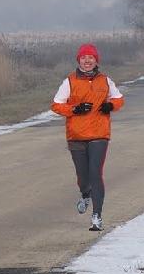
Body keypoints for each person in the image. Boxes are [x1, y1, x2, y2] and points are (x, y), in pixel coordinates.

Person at [51, 44, 124, 231]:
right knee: (83, 177)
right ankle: (85, 194)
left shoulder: (105, 80)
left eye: (91, 57)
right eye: (84, 57)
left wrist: (111, 106)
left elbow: (119, 99)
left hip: (99, 134)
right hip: (76, 135)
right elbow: (56, 105)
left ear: (96, 60)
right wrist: (74, 109)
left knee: (95, 173)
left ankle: (97, 216)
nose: (87, 60)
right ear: (79, 60)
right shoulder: (70, 81)